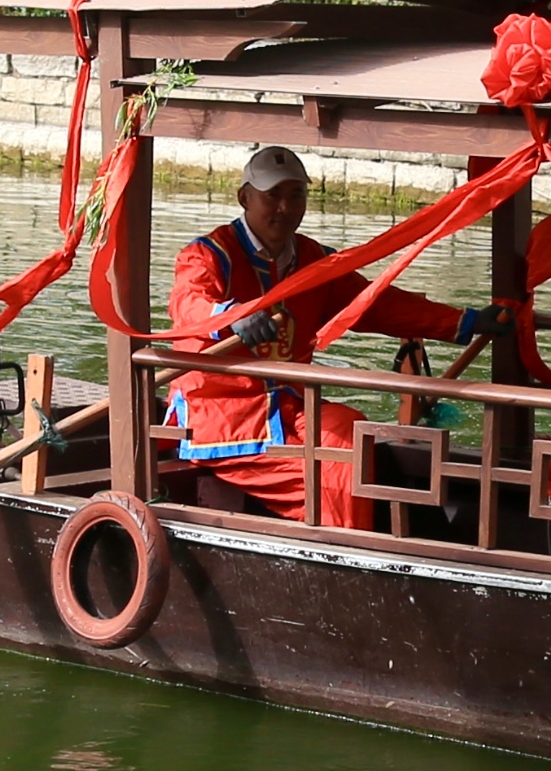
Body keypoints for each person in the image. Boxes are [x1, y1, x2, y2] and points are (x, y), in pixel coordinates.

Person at [166, 145, 488, 523]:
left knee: (347, 430)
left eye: (295, 195)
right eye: (272, 196)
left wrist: (465, 321)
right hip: (220, 415)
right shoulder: (208, 254)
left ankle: (352, 537)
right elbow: (188, 303)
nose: (284, 208)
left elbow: (374, 304)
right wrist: (228, 316)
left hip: (290, 406)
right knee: (335, 474)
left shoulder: (313, 259)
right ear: (244, 197)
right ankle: (349, 548)